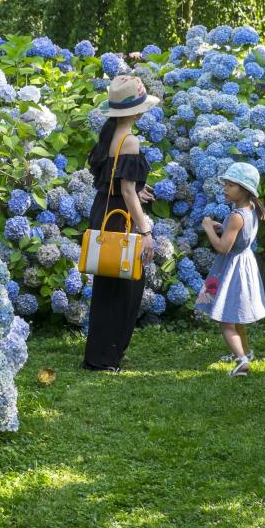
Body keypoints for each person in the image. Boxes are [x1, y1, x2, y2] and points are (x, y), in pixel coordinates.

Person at [81, 75, 159, 372]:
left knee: (108, 284)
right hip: (120, 216)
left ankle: (103, 352)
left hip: (105, 210)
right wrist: (146, 231)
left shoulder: (110, 135)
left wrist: (136, 191)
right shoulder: (130, 140)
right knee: (126, 286)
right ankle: (105, 356)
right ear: (136, 111)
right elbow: (126, 190)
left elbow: (114, 184)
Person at [195, 162, 265, 377]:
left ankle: (242, 361)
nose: (224, 189)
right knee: (236, 316)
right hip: (243, 264)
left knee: (225, 319)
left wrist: (209, 229)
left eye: (230, 185)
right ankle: (245, 350)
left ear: (243, 189)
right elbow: (238, 235)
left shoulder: (236, 216)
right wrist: (223, 227)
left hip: (230, 269)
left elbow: (222, 247)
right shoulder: (250, 210)